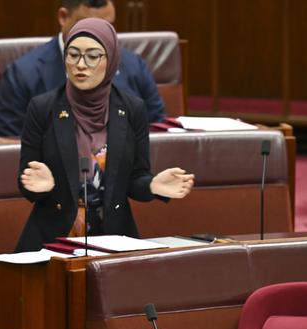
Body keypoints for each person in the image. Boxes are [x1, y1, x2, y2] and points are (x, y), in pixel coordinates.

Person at [15, 18, 194, 252]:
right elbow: (26, 181)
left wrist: (152, 186)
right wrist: (43, 187)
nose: (81, 64)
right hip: (54, 238)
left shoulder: (132, 109)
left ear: (111, 60)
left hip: (114, 237)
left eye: (92, 56)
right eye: (73, 54)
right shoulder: (43, 108)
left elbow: (135, 179)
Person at [0, 0, 166, 137]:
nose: (98, 37)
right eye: (87, 27)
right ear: (63, 17)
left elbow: (157, 126)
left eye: (107, 27)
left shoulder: (134, 65)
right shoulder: (23, 74)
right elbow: (10, 140)